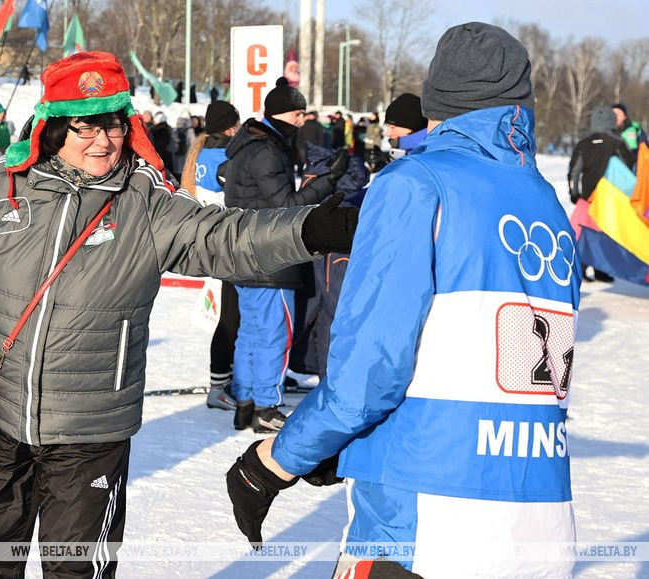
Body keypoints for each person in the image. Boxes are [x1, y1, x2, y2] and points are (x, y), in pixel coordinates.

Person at [0, 51, 358, 578]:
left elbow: (224, 237)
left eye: (114, 125)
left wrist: (306, 230)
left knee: (77, 570)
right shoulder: (6, 187)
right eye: (86, 126)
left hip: (90, 431)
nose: (103, 140)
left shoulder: (144, 200)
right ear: (53, 128)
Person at [226, 22, 581, 579]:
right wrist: (348, 448)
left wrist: (273, 463)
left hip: (429, 518)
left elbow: (370, 371)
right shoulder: (546, 202)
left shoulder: (417, 183)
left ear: (437, 100)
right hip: (541, 519)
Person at [224, 83, 348, 433]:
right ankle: (266, 405)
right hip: (270, 257)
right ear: (281, 114)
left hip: (245, 253)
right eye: (298, 114)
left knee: (251, 332)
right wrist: (329, 180)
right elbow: (287, 207)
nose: (302, 120)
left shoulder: (252, 145)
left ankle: (246, 401)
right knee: (274, 335)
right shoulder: (265, 151)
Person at [180, 101, 242, 410]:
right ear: (230, 128)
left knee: (231, 316)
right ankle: (220, 385)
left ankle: (227, 379)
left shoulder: (200, 152)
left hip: (210, 240)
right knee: (232, 319)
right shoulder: (226, 157)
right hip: (227, 243)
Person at [568, 106, 633, 283]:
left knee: (585, 232)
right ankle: (601, 269)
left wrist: (574, 193)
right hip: (609, 198)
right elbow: (627, 168)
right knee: (605, 233)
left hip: (587, 198)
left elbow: (574, 171)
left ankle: (582, 268)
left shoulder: (583, 144)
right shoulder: (617, 142)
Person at [382, 93, 428, 161]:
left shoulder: (426, 158)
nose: (387, 133)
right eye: (388, 127)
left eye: (393, 127)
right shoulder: (407, 154)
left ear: (413, 126)